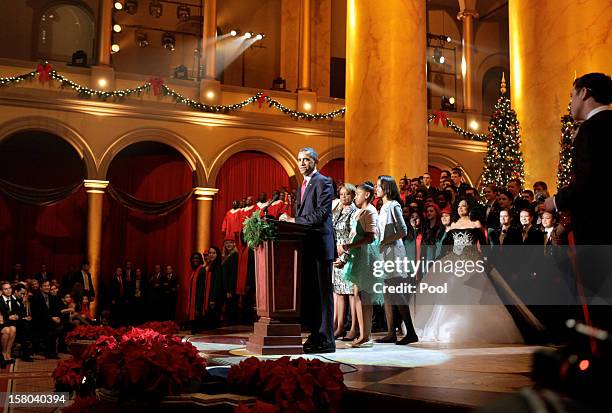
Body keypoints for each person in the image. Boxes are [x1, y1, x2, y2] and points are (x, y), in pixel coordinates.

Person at [413, 199, 527, 343]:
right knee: (449, 293)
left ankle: (475, 329)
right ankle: (447, 328)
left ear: (469, 208)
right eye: (459, 206)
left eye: (464, 206)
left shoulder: (475, 224)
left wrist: (484, 260)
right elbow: (445, 247)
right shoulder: (453, 225)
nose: (461, 209)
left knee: (473, 294)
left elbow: (484, 246)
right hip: (453, 264)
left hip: (472, 263)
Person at [281, 147, 336, 354]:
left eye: (306, 159)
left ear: (315, 161)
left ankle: (327, 340)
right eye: (299, 159)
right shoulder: (302, 185)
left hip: (321, 246)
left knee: (323, 295)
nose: (302, 163)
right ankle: (315, 335)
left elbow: (322, 212)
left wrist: (295, 221)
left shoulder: (324, 181)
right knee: (312, 294)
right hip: (307, 245)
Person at [335, 182, 381, 348]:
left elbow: (370, 238)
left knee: (363, 295)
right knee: (358, 295)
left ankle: (364, 335)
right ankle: (364, 334)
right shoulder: (361, 212)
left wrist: (347, 247)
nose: (355, 197)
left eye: (358, 194)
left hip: (367, 257)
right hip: (358, 257)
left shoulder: (369, 212)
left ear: (367, 195)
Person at [374, 176, 418, 345]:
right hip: (384, 253)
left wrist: (385, 241)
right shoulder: (383, 207)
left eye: (379, 186)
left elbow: (403, 230)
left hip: (394, 253)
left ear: (387, 188)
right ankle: (390, 332)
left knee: (396, 292)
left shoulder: (394, 205)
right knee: (387, 293)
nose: (376, 189)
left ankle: (411, 332)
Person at [332, 183, 358, 341]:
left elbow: (353, 237)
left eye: (346, 194)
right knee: (339, 293)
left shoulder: (354, 212)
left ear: (353, 196)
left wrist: (344, 257)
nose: (343, 197)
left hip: (349, 256)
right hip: (336, 255)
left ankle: (353, 328)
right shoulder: (337, 210)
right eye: (341, 194)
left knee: (351, 294)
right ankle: (339, 327)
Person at [31, 280, 62, 358]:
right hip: (39, 321)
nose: (47, 287)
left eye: (48, 285)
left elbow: (56, 309)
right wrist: (52, 318)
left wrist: (57, 317)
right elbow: (38, 313)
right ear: (41, 287)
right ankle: (49, 352)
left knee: (58, 325)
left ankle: (53, 351)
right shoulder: (36, 297)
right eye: (45, 286)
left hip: (50, 320)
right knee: (49, 326)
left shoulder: (51, 297)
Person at [203, 246, 223, 328]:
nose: (211, 255)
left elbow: (216, 284)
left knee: (214, 322)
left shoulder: (217, 267)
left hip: (214, 297)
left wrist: (212, 299)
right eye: (210, 253)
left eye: (214, 253)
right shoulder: (210, 266)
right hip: (210, 296)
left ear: (217, 254)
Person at [12, 283, 33, 362]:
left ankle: (27, 352)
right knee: (25, 326)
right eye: (22, 293)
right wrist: (23, 318)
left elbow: (21, 313)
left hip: (20, 321)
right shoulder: (11, 299)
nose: (23, 295)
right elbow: (14, 313)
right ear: (16, 291)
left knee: (29, 324)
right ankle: (25, 354)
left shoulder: (19, 300)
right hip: (12, 322)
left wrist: (26, 317)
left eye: (24, 294)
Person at [187, 253, 206, 333]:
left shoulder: (202, 270)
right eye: (194, 258)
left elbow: (201, 288)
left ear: (200, 260)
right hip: (193, 300)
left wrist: (198, 306)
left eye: (197, 258)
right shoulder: (194, 271)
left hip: (199, 300)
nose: (195, 260)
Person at [221, 239, 239, 324]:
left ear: (234, 244)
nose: (228, 244)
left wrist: (229, 290)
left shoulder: (235, 255)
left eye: (230, 242)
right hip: (226, 286)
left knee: (231, 309)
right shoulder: (227, 256)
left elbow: (233, 274)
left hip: (231, 288)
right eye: (226, 243)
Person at [0, 282, 18, 367]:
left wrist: (17, 316)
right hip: (1, 324)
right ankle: (3, 352)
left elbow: (19, 312)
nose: (8, 290)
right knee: (7, 330)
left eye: (9, 288)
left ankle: (8, 352)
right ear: (1, 291)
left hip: (11, 323)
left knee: (13, 329)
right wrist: (8, 318)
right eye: (5, 289)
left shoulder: (14, 299)